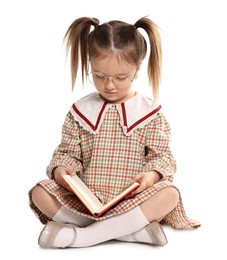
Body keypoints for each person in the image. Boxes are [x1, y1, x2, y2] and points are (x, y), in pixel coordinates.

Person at [29, 16, 200, 249]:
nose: (109, 86)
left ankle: (83, 237)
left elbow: (162, 158)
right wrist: (61, 171)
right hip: (86, 202)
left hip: (131, 201)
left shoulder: (149, 114)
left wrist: (151, 177)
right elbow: (67, 153)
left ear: (137, 69)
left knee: (170, 194)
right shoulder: (80, 112)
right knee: (40, 192)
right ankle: (130, 232)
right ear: (89, 64)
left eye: (121, 78)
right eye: (99, 76)